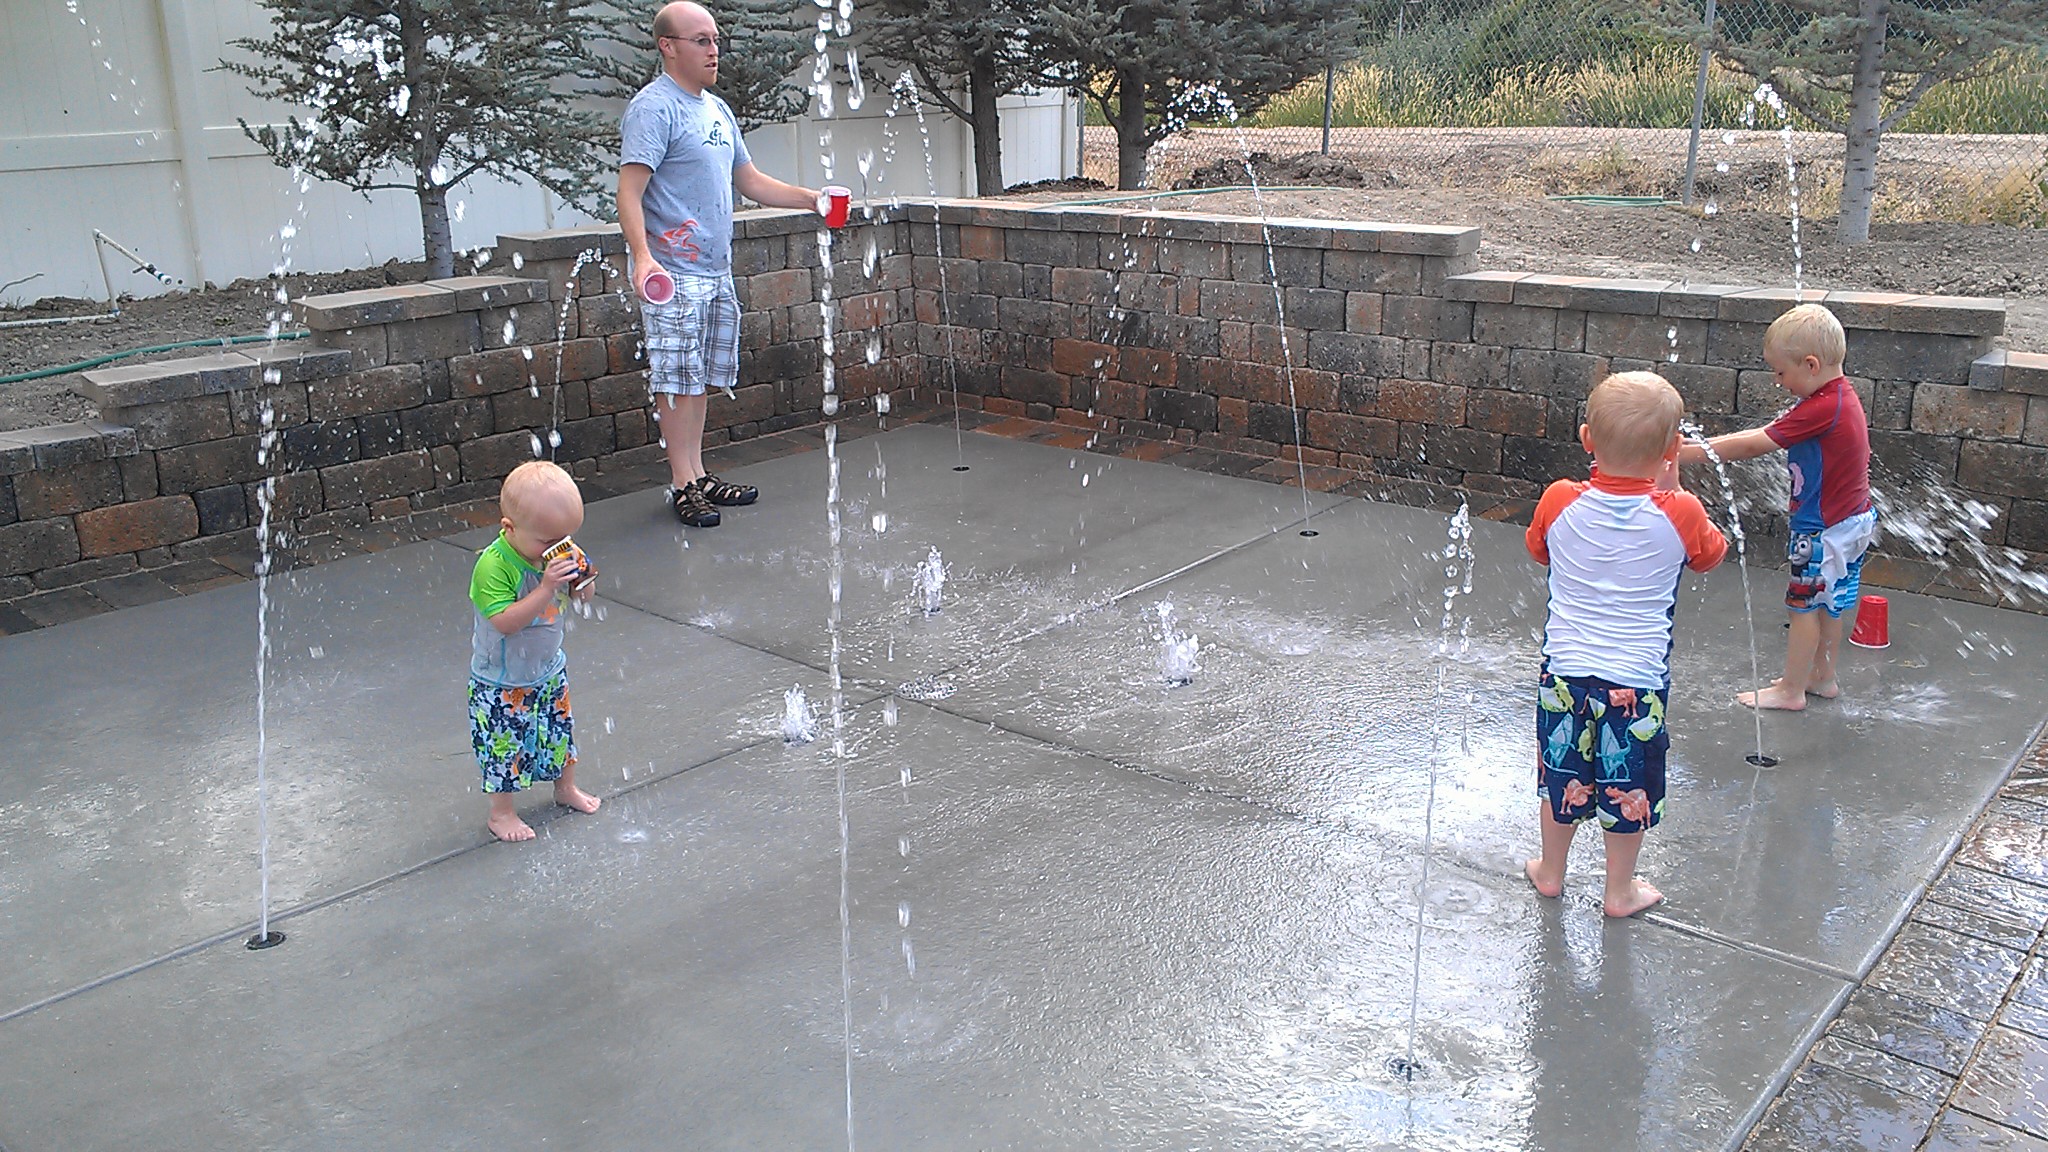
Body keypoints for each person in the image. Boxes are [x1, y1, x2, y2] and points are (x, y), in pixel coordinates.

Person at [1525, 372, 1728, 917]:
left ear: (1587, 438)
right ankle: (1619, 891)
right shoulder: (1678, 511)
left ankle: (1550, 871)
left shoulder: (1559, 499)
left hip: (1564, 675)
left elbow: (1538, 549)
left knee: (1561, 780)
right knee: (1627, 786)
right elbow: (1711, 555)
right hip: (1636, 684)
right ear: (1671, 450)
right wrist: (1676, 485)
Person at [617, 0, 820, 528]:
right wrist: (642, 259)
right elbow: (629, 191)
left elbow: (749, 181)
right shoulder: (653, 108)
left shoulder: (716, 108)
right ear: (668, 47)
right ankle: (683, 483)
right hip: (671, 271)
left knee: (701, 378)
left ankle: (698, 474)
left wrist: (811, 198)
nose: (713, 49)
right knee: (676, 380)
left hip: (713, 269)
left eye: (714, 39)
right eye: (700, 40)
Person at [1680, 303, 1876, 711]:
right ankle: (1822, 677)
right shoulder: (1841, 396)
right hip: (1852, 522)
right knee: (1831, 602)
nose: (1778, 381)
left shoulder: (1822, 407)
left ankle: (1791, 690)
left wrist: (1688, 453)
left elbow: (1756, 442)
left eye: (1781, 372)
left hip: (1823, 529)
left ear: (1810, 364)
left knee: (1803, 605)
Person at [468, 461, 602, 842]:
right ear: (509, 528)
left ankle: (565, 788)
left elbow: (585, 597)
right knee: (504, 746)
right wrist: (545, 588)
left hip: (548, 670)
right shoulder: (493, 567)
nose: (558, 548)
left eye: (567, 537)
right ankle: (502, 812)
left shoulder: (558, 547)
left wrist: (582, 581)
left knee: (559, 734)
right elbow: (505, 622)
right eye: (548, 542)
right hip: (500, 681)